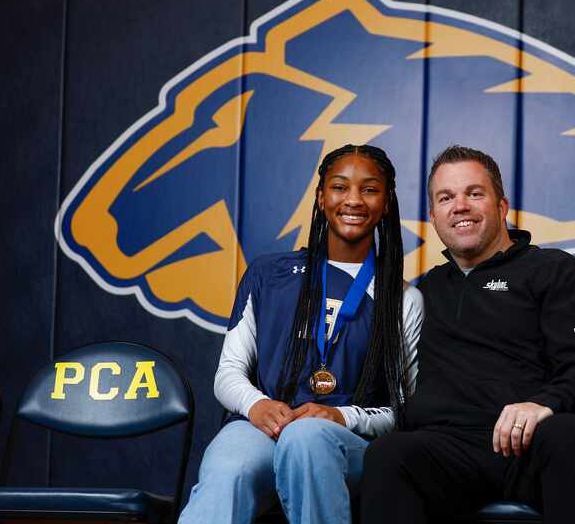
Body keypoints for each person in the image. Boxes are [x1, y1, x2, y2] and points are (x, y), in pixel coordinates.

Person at [361, 146, 575, 524]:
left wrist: (541, 404)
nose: (459, 206)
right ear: (434, 216)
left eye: (474, 193)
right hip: (448, 451)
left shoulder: (554, 271)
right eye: (446, 198)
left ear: (501, 206)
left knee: (569, 435)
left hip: (528, 446)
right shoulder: (425, 290)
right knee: (388, 454)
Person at [179, 144, 423, 524]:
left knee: (306, 438)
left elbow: (404, 411)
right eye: (340, 187)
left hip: (347, 445)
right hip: (263, 426)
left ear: (387, 202)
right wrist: (256, 405)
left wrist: (341, 417)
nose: (354, 200)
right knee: (230, 465)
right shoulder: (268, 275)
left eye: (370, 189)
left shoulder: (403, 299)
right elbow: (228, 373)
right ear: (321, 196)